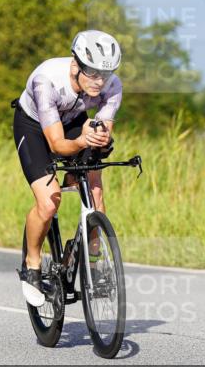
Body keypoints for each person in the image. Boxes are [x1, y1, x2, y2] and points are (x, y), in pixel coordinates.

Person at [12, 29, 122, 306]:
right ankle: (32, 264)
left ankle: (92, 261)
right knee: (50, 203)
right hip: (36, 126)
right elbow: (58, 143)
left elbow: (103, 129)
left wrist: (98, 140)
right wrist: (82, 140)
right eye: (93, 73)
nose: (99, 82)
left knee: (95, 194)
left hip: (73, 119)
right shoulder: (45, 81)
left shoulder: (113, 86)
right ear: (76, 65)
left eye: (105, 74)